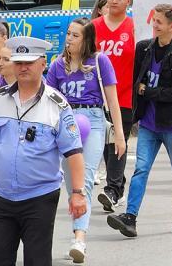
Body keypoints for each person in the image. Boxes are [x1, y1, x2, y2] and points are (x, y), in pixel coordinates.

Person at [0, 37, 86, 264]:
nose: (23, 67)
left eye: (29, 62)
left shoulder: (57, 105)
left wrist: (77, 193)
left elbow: (73, 153)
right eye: (18, 62)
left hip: (39, 198)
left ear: (43, 63)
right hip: (0, 197)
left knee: (37, 260)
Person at [107, 4, 172, 237]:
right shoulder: (144, 48)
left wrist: (148, 91)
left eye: (160, 22)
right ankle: (130, 217)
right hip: (148, 123)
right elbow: (136, 82)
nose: (154, 25)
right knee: (141, 169)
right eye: (154, 20)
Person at [46, 18, 126, 263]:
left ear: (87, 39)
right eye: (68, 34)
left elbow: (112, 101)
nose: (69, 38)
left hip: (92, 120)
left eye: (75, 35)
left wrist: (120, 136)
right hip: (66, 122)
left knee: (86, 180)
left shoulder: (100, 61)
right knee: (72, 186)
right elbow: (48, 100)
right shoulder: (58, 65)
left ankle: (79, 239)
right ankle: (77, 229)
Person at [93, 0, 135, 213]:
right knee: (104, 144)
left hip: (125, 95)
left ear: (128, 1)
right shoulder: (95, 26)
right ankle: (118, 186)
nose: (114, 1)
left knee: (118, 140)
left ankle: (112, 189)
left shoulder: (135, 27)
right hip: (96, 96)